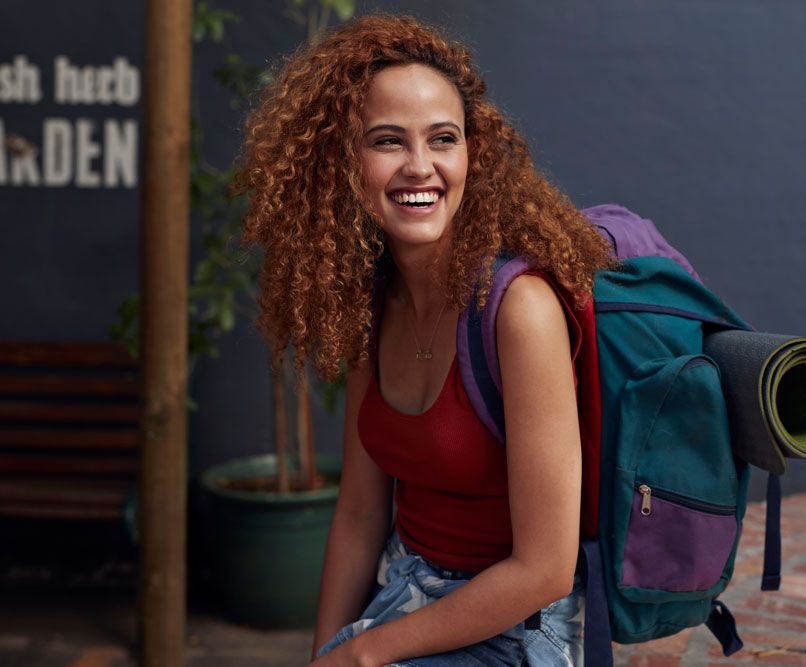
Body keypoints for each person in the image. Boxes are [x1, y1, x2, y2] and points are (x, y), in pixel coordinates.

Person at [236, 13, 611, 666]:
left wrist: (363, 655)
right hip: (408, 593)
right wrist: (325, 652)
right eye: (387, 141)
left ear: (473, 151)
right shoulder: (375, 302)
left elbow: (545, 569)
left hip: (521, 622)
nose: (420, 167)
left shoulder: (517, 309)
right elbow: (358, 514)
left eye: (443, 138)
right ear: (344, 162)